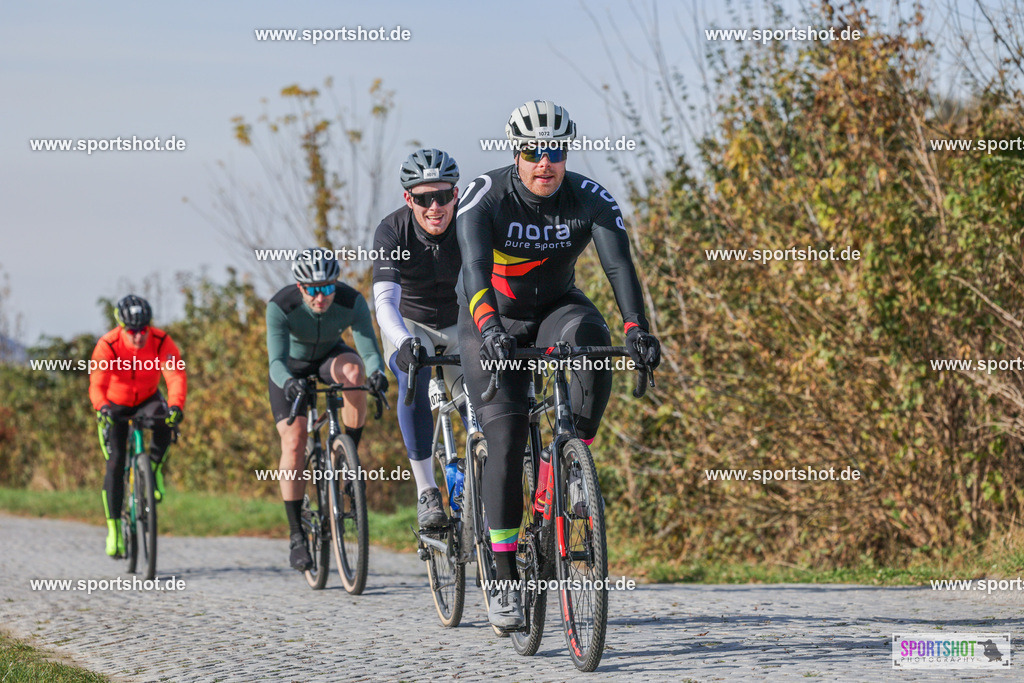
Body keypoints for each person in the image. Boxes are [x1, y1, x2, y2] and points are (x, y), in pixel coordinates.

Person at [456, 100, 662, 629]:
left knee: (593, 344)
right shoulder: (485, 196)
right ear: (516, 154)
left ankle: (567, 467)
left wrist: (637, 328)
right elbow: (475, 267)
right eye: (532, 153)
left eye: (555, 152)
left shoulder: (590, 198)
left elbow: (618, 265)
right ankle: (502, 578)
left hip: (555, 309)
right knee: (505, 437)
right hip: (491, 316)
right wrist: (490, 329)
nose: (544, 162)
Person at [266, 247, 388, 571]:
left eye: (327, 288)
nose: (321, 298)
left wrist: (378, 374)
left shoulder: (351, 300)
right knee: (293, 442)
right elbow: (275, 362)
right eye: (313, 290)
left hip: (329, 356)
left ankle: (347, 456)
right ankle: (296, 535)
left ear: (335, 284)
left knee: (355, 373)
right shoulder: (281, 305)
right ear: (300, 287)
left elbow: (369, 349)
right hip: (290, 369)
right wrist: (290, 383)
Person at [372, 148, 465, 529]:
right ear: (408, 198)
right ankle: (426, 489)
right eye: (424, 198)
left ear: (455, 195)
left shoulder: (470, 220)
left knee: (489, 388)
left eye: (443, 196)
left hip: (460, 322)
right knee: (414, 375)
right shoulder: (392, 230)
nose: (434, 207)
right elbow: (384, 302)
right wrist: (404, 342)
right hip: (408, 323)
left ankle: (483, 467)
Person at [90, 294, 186, 557]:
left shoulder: (160, 340)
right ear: (122, 327)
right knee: (115, 463)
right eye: (132, 331)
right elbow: (97, 384)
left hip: (147, 398)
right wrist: (103, 408)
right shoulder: (108, 344)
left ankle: (153, 469)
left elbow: (175, 374)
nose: (138, 337)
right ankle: (114, 530)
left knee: (166, 420)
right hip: (115, 403)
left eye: (143, 329)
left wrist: (176, 405)